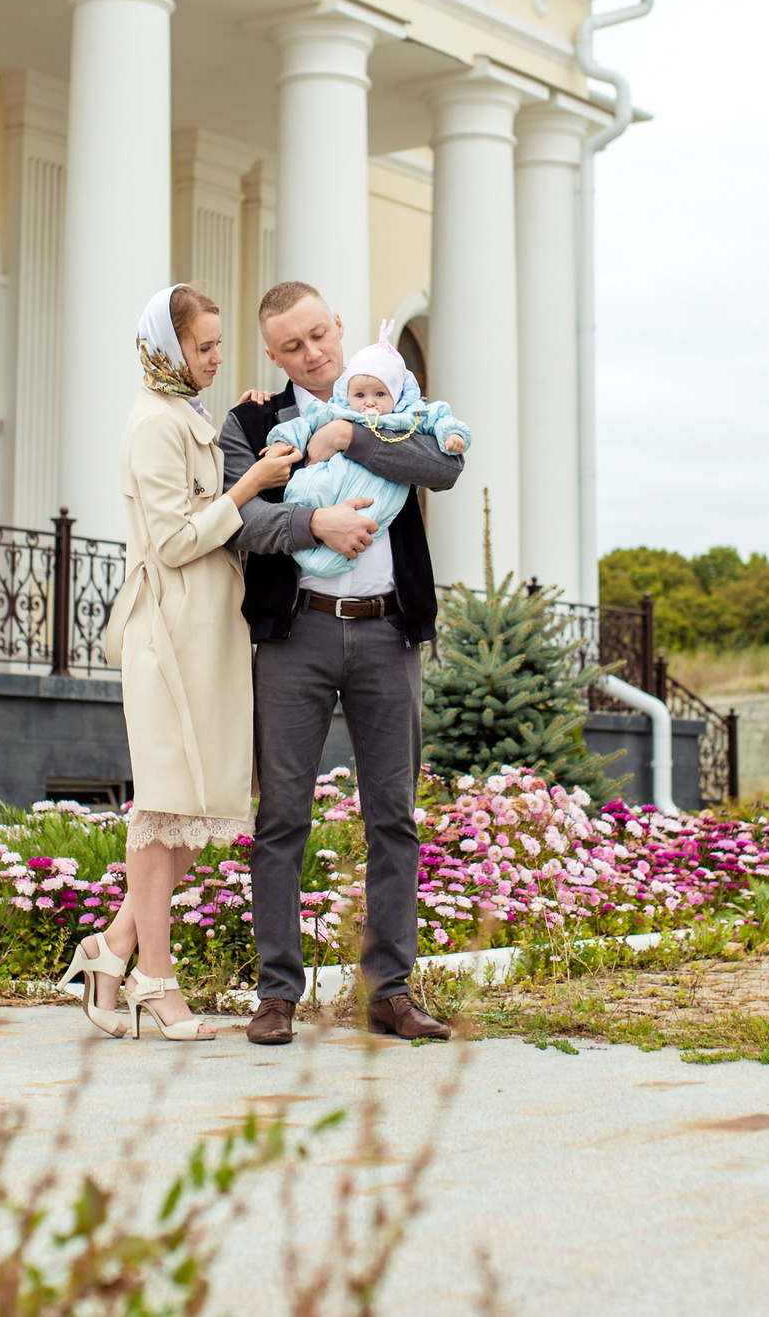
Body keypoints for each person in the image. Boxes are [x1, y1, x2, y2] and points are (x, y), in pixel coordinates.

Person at [223, 282, 464, 1045]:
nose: (313, 354)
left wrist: (351, 436)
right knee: (281, 816)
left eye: (321, 335)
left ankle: (389, 989)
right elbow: (241, 519)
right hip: (296, 637)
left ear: (338, 325)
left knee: (391, 815)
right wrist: (313, 519)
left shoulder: (394, 392)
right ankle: (276, 995)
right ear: (272, 353)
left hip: (388, 632)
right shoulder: (254, 418)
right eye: (293, 347)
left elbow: (442, 466)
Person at [60, 283, 296, 1041]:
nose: (217, 359)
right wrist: (251, 485)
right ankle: (154, 980)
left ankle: (112, 948)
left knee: (204, 805)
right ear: (168, 348)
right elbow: (170, 541)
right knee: (165, 805)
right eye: (205, 347)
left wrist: (248, 428)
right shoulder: (152, 425)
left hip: (209, 633)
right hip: (167, 632)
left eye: (221, 346)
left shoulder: (185, 415)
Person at [264, 325, 468, 581]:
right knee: (308, 490)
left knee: (369, 520)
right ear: (347, 393)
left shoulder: (406, 417)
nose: (369, 402)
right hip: (330, 483)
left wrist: (453, 435)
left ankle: (333, 558)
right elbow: (300, 425)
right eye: (359, 394)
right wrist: (280, 442)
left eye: (380, 394)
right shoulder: (336, 411)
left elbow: (439, 419)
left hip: (379, 495)